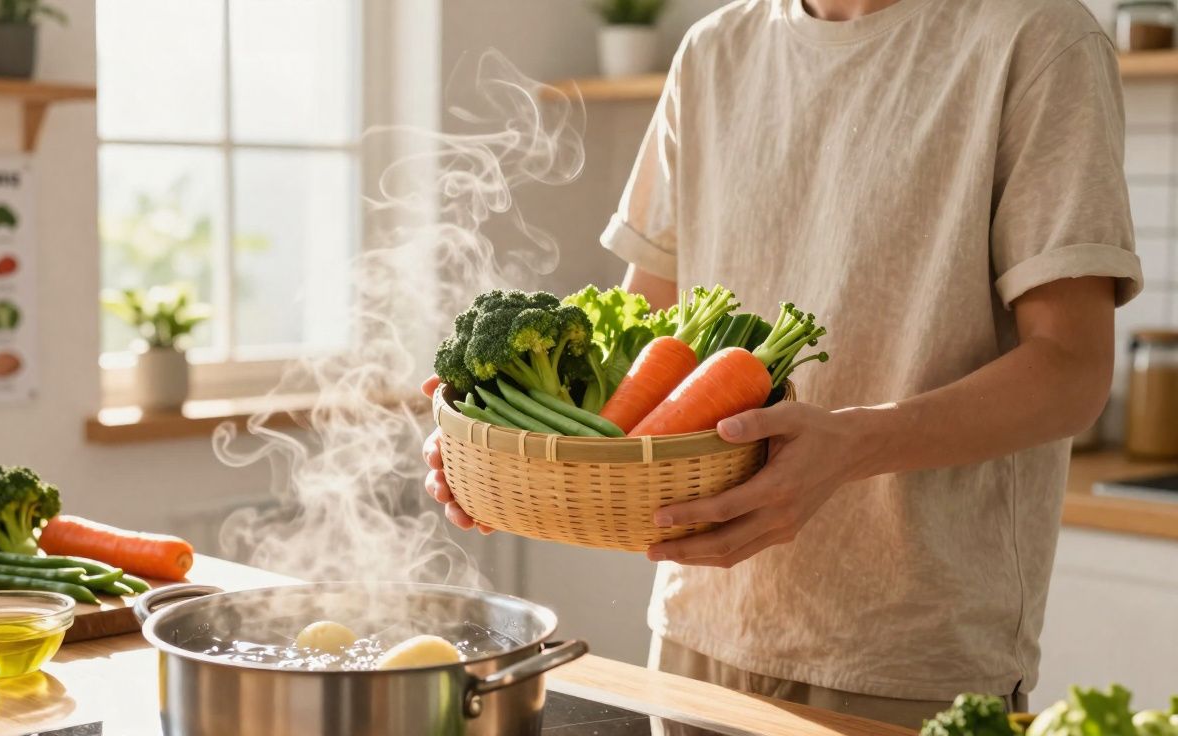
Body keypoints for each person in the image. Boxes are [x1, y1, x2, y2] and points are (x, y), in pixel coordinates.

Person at [423, 0, 1143, 728]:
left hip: (910, 654)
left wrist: (849, 446)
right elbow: (641, 342)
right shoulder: (714, 51)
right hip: (698, 634)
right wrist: (503, 440)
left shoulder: (1037, 38)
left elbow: (1071, 370)